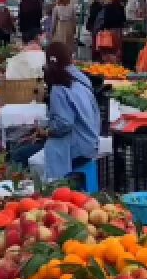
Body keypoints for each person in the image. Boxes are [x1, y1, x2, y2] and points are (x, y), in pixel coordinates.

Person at [38, 42, 100, 184]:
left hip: (77, 148)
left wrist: (46, 132)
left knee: (20, 155)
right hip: (91, 142)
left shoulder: (59, 87)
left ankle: (46, 189)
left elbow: (64, 124)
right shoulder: (82, 79)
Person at [96, 0, 127, 64]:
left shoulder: (108, 7)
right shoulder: (121, 7)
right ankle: (117, 63)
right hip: (118, 30)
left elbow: (106, 20)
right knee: (117, 48)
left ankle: (109, 64)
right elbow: (124, 19)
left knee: (108, 48)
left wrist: (102, 28)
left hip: (110, 31)